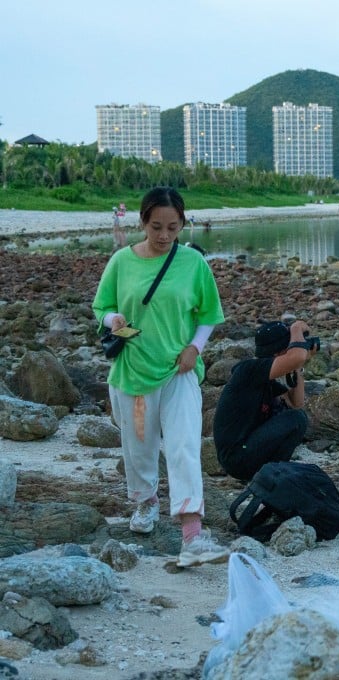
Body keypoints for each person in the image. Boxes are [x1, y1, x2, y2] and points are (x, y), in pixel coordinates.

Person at [92, 186, 229, 568]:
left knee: (184, 445)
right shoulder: (122, 261)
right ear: (142, 223)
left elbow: (209, 314)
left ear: (183, 224)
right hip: (132, 370)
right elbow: (101, 305)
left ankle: (192, 535)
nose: (165, 235)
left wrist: (195, 348)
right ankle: (147, 501)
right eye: (156, 227)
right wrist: (112, 319)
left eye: (173, 227)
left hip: (178, 371)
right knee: (138, 447)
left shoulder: (192, 264)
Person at [213, 320, 315, 481]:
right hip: (237, 456)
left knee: (296, 417)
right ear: (278, 352)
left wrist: (298, 366)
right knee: (296, 419)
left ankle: (275, 476)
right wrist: (296, 329)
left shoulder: (263, 380)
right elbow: (296, 356)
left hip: (244, 452)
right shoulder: (249, 370)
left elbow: (297, 403)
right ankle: (274, 476)